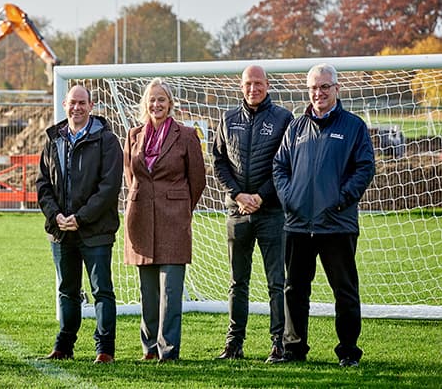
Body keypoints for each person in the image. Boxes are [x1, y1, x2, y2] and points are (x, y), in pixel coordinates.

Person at [273, 63, 375, 367]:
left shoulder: (354, 126)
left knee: (344, 291)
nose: (319, 93)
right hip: (299, 224)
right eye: (314, 88)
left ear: (336, 89)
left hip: (337, 224)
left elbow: (364, 168)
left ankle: (348, 352)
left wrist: (340, 200)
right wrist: (290, 199)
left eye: (324, 87)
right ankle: (294, 349)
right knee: (294, 290)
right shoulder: (296, 127)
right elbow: (280, 167)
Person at [212, 65, 294, 363]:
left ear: (267, 85)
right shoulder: (228, 118)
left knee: (276, 281)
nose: (253, 88)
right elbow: (219, 161)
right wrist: (237, 195)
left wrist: (261, 196)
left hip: (272, 213)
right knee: (237, 282)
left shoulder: (284, 118)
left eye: (258, 83)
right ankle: (234, 343)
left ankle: (279, 343)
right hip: (237, 212)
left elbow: (287, 163)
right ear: (241, 85)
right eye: (248, 83)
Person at [36, 85, 122, 364]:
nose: (77, 107)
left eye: (82, 103)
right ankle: (64, 346)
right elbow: (42, 184)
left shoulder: (107, 140)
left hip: (95, 230)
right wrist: (55, 216)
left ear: (91, 105)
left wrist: (81, 217)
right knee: (67, 291)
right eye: (72, 102)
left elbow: (108, 188)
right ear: (64, 104)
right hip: (61, 231)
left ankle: (104, 349)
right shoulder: (53, 139)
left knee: (101, 291)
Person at [123, 78, 206, 362]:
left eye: (161, 99)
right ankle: (149, 348)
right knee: (148, 291)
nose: (156, 104)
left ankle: (168, 349)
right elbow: (130, 175)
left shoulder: (186, 135)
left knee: (170, 290)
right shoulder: (133, 135)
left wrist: (180, 206)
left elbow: (197, 180)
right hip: (141, 219)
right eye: (152, 100)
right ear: (145, 104)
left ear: (170, 103)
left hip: (173, 221)